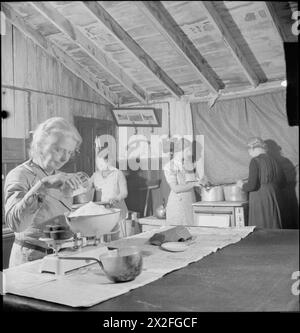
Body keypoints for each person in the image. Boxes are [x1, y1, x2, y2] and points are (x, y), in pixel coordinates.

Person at [4, 117, 86, 267]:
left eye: (69, 152)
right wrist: (43, 185)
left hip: (60, 256)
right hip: (30, 259)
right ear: (40, 145)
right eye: (58, 149)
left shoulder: (60, 176)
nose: (64, 158)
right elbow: (16, 224)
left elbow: (59, 216)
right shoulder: (20, 175)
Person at [236, 137, 287, 229]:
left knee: (261, 227)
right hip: (274, 197)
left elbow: (252, 186)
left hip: (260, 198)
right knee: (274, 226)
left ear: (252, 148)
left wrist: (241, 185)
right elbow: (283, 183)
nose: (249, 153)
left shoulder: (255, 161)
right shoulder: (275, 161)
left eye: (249, 150)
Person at [90, 137, 128, 239]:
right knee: (103, 241)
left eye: (107, 159)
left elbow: (124, 193)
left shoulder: (118, 174)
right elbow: (85, 190)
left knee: (118, 240)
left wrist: (116, 198)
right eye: (101, 160)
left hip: (117, 211)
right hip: (102, 213)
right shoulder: (95, 176)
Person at [163, 138, 206, 225]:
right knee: (179, 234)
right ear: (182, 150)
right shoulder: (169, 166)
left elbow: (194, 183)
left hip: (190, 202)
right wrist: (194, 184)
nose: (190, 153)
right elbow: (175, 188)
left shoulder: (189, 164)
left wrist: (201, 184)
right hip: (178, 205)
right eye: (189, 150)